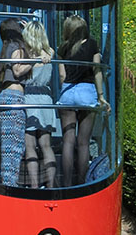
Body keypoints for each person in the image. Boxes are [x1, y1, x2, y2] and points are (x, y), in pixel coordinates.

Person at [57, 15, 110, 186]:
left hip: (68, 92)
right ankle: (82, 183)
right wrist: (101, 96)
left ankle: (66, 183)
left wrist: (65, 90)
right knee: (83, 142)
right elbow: (96, 70)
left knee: (68, 140)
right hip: (87, 93)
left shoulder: (63, 47)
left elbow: (62, 75)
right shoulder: (92, 44)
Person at [0, 18, 33, 186]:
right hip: (14, 98)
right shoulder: (16, 47)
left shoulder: (4, 49)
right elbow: (18, 70)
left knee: (10, 145)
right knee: (14, 147)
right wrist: (35, 59)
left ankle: (2, 178)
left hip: (3, 97)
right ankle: (9, 185)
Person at [22, 19, 57, 188]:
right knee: (46, 145)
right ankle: (50, 185)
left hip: (29, 97)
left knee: (30, 146)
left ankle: (34, 185)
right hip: (46, 98)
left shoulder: (27, 54)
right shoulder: (50, 52)